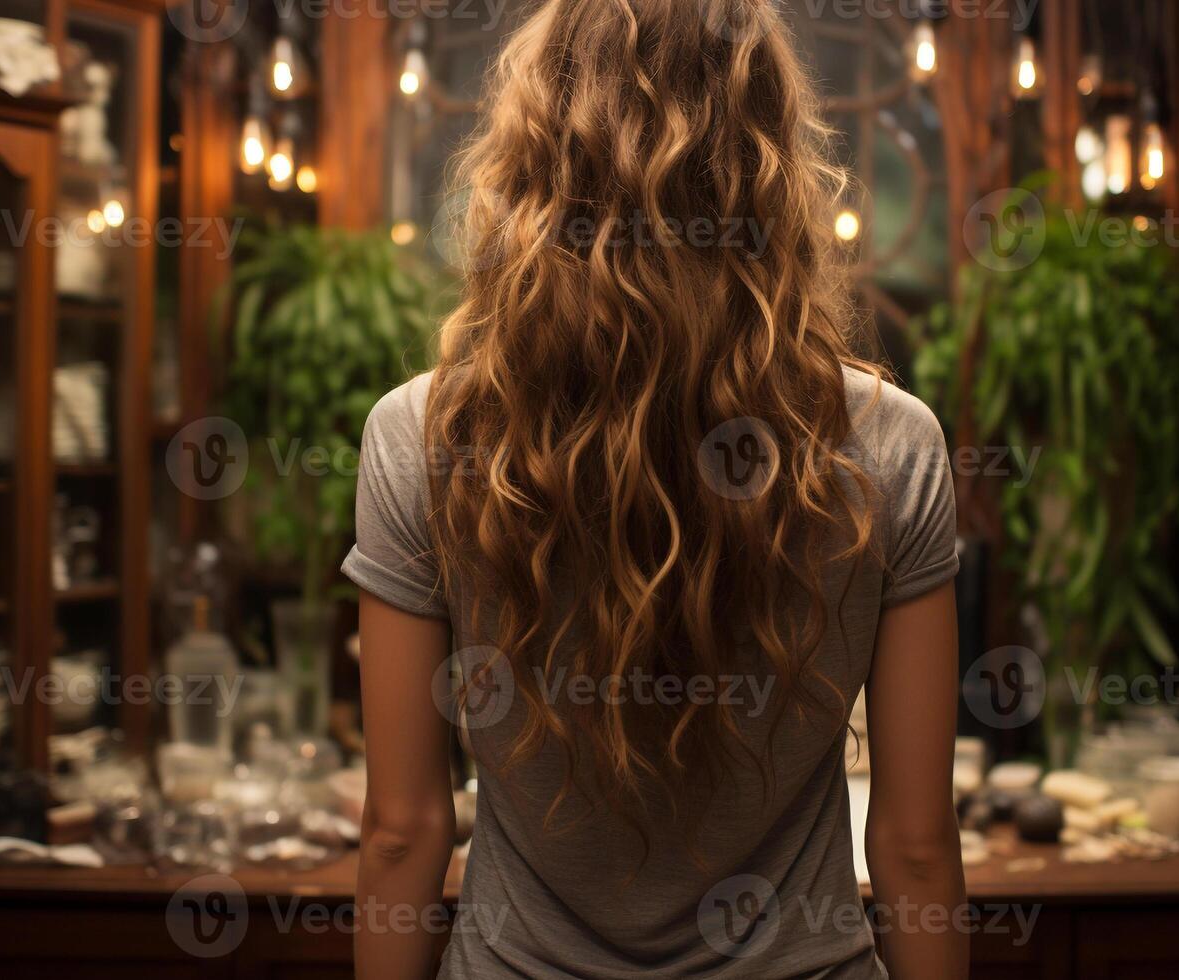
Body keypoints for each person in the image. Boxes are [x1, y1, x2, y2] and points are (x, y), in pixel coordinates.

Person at [345, 1, 966, 976]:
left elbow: (398, 832)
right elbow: (916, 849)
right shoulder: (894, 445)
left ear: (533, 165)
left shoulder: (422, 438)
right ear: (768, 163)